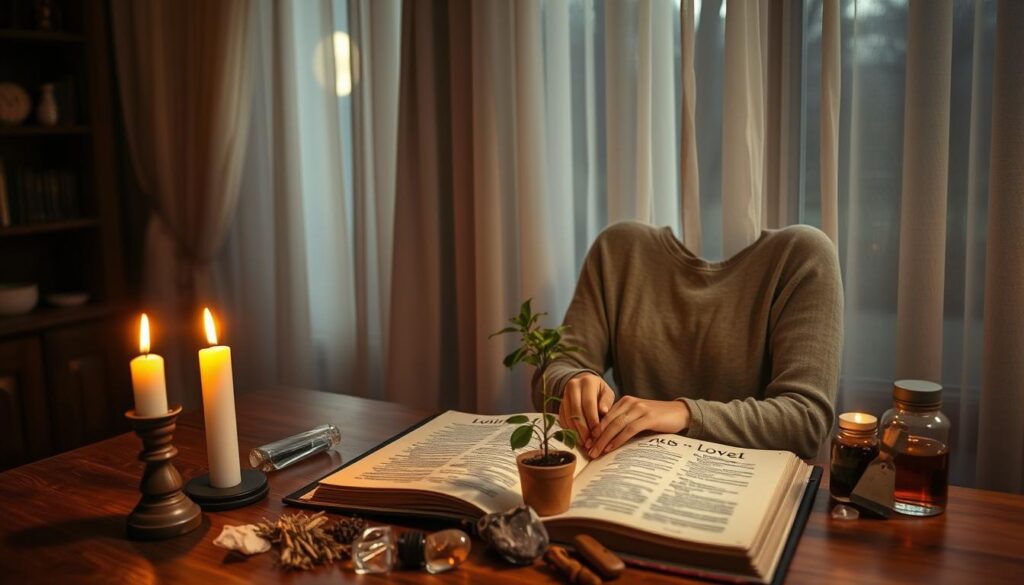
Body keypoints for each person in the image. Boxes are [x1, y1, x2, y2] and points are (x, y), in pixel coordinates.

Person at [538, 221, 843, 460]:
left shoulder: (803, 255)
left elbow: (805, 419)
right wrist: (573, 382)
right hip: (631, 472)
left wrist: (682, 413)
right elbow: (558, 369)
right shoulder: (618, 251)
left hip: (745, 488)